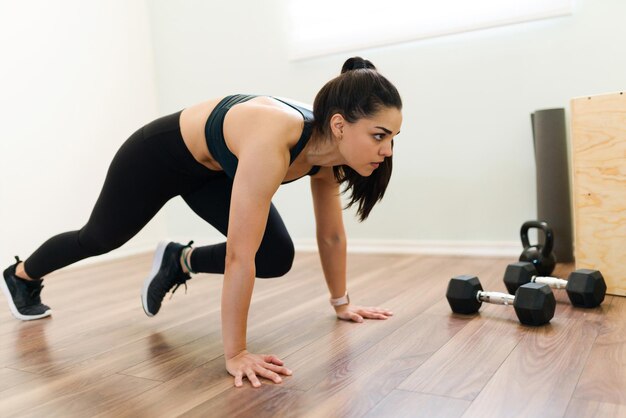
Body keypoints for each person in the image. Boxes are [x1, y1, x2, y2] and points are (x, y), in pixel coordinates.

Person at [1, 56, 403, 387]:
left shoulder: (327, 160)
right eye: (379, 135)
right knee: (99, 238)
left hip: (211, 171)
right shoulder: (275, 140)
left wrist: (341, 304)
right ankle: (21, 274)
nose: (386, 150)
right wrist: (237, 353)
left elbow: (331, 235)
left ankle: (180, 260)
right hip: (157, 157)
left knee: (276, 256)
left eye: (393, 138)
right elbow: (238, 257)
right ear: (338, 125)